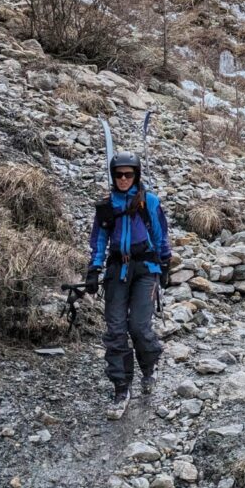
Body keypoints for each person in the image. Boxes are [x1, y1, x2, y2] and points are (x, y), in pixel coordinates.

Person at [86, 151, 172, 420]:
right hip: (116, 270)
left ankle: (149, 366)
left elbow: (160, 235)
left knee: (138, 326)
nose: (123, 179)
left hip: (145, 269)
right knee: (115, 330)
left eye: (129, 174)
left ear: (136, 175)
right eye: (119, 174)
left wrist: (166, 265)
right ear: (113, 176)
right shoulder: (106, 206)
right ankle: (121, 389)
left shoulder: (149, 202)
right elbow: (99, 239)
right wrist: (94, 267)